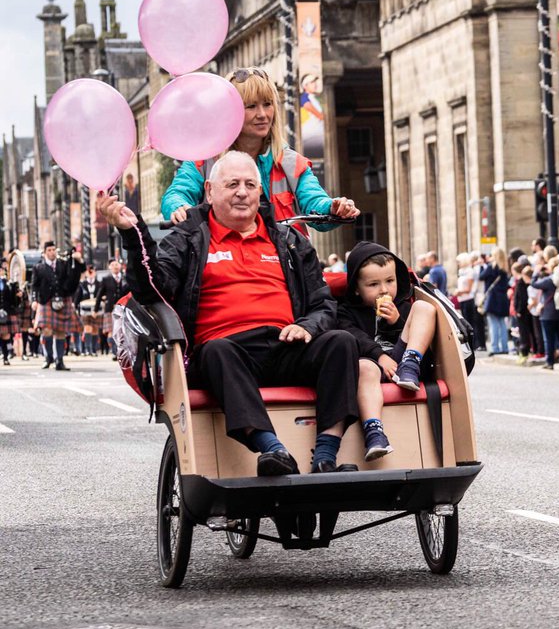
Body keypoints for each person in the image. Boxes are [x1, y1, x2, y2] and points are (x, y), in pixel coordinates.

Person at [98, 151, 361, 476]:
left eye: (250, 185)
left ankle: (325, 456)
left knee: (341, 342)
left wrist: (308, 326)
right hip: (226, 354)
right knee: (217, 350)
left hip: (286, 345)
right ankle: (272, 449)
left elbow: (323, 302)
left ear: (260, 192)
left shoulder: (288, 240)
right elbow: (153, 290)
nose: (242, 192)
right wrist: (133, 233)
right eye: (232, 184)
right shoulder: (187, 238)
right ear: (209, 191)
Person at [159, 66, 359, 235]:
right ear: (230, 111)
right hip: (224, 259)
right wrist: (178, 207)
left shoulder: (291, 162)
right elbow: (177, 193)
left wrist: (333, 207)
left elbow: (313, 199)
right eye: (252, 106)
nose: (262, 114)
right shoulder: (204, 160)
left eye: (267, 104)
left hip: (283, 261)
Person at [336, 241, 441, 461]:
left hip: (406, 365)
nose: (384, 289)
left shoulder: (402, 306)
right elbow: (353, 336)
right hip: (371, 368)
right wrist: (380, 356)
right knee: (364, 367)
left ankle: (410, 365)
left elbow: (421, 338)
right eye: (373, 284)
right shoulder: (345, 312)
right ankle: (374, 433)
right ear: (356, 288)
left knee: (423, 308)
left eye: (390, 281)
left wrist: (396, 323)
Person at [30, 240, 85, 371]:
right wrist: (34, 300)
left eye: (54, 249)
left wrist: (79, 260)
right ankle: (48, 357)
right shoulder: (38, 267)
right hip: (45, 301)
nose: (52, 252)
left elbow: (78, 272)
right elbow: (34, 286)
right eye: (49, 250)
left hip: (63, 299)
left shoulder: (63, 264)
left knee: (60, 331)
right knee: (47, 331)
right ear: (44, 252)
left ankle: (59, 360)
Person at [532, 257, 559, 370]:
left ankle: (550, 361)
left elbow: (534, 284)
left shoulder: (549, 280)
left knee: (549, 339)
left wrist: (536, 272)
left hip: (548, 313)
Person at [479, 250, 511, 355]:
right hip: (503, 298)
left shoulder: (491, 267)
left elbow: (481, 276)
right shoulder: (505, 268)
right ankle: (505, 347)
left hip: (492, 298)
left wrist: (483, 265)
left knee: (493, 324)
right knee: (502, 323)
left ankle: (495, 348)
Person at [96, 258, 129, 359]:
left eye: (117, 264)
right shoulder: (106, 279)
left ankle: (121, 351)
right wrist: (96, 309)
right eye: (113, 265)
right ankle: (115, 352)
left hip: (124, 308)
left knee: (122, 331)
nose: (115, 266)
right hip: (110, 309)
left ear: (120, 266)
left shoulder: (125, 278)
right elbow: (99, 295)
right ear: (109, 267)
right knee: (111, 331)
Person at [74, 264, 101, 356]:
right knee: (87, 328)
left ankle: (94, 350)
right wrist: (75, 308)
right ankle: (87, 349)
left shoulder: (99, 284)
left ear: (95, 272)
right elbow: (77, 297)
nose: (90, 272)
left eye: (92, 270)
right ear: (85, 273)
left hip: (97, 310)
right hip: (84, 310)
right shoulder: (82, 284)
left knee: (95, 329)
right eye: (88, 271)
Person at [0, 266, 17, 365]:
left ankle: (6, 357)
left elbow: (13, 300)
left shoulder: (8, 283)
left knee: (6, 336)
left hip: (6, 312)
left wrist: (14, 289)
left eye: (2, 270)